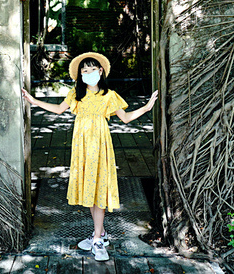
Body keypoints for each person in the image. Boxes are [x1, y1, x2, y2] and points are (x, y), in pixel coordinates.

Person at [21, 51, 158, 262]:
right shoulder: (76, 95)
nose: (88, 73)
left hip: (101, 149)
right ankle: (100, 234)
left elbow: (126, 118)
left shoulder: (109, 95)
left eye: (92, 69)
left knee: (100, 190)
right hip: (82, 150)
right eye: (84, 71)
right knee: (91, 191)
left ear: (100, 71)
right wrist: (33, 101)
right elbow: (58, 110)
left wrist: (147, 107)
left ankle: (97, 239)